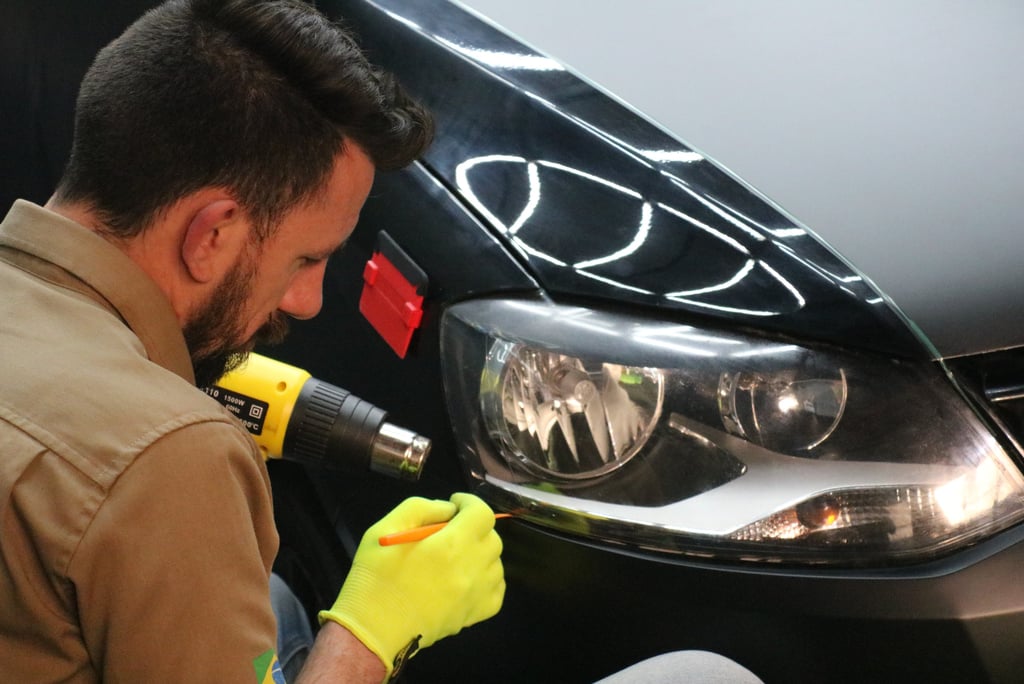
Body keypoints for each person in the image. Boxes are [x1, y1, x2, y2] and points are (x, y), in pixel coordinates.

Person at [0, 0, 504, 681]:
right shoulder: (170, 457)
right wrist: (374, 632)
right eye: (306, 259)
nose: (309, 300)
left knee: (277, 605)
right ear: (213, 234)